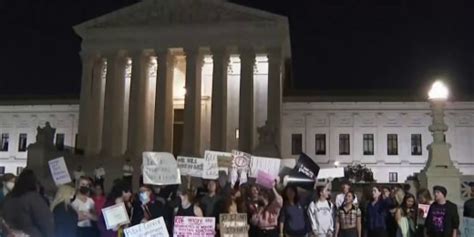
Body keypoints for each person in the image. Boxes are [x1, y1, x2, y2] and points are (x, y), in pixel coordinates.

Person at [2, 169, 54, 237]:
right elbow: (45, 221)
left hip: (11, 233)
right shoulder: (33, 198)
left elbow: (3, 218)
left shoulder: (8, 197)